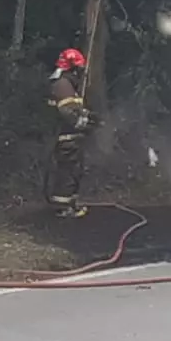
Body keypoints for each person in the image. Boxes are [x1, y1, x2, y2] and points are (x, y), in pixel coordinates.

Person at [47, 48, 96, 219]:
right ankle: (62, 207)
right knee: (67, 172)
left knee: (74, 171)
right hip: (66, 137)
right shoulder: (63, 85)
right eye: (79, 69)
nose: (81, 73)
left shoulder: (68, 85)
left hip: (73, 138)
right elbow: (67, 112)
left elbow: (75, 109)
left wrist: (89, 116)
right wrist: (83, 123)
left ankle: (70, 204)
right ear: (72, 68)